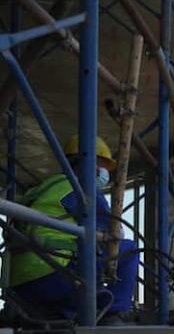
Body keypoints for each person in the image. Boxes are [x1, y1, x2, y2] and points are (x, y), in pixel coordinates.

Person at [9, 135, 138, 320]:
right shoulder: (81, 188)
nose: (103, 172)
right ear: (90, 163)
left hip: (21, 284)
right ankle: (113, 312)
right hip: (55, 275)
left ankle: (68, 313)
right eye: (102, 165)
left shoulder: (48, 186)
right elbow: (112, 232)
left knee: (86, 249)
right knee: (129, 250)